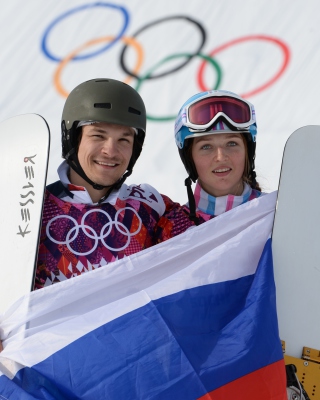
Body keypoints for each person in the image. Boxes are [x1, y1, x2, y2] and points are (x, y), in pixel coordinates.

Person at [34, 78, 195, 289]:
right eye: (98, 136)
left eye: (124, 140)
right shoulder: (34, 211)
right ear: (72, 139)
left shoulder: (149, 207)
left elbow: (207, 241)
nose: (110, 151)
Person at [173, 89, 263, 222]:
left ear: (247, 151)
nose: (221, 157)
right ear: (189, 158)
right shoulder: (171, 228)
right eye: (206, 147)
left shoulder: (277, 213)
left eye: (231, 143)